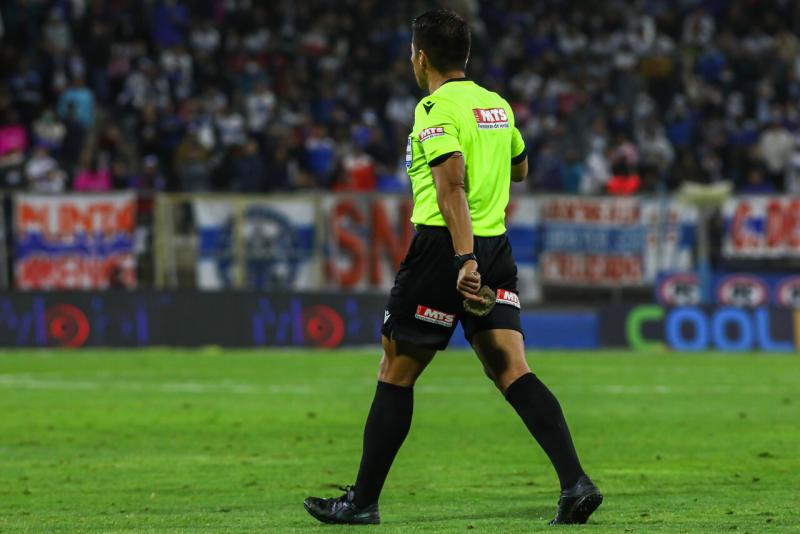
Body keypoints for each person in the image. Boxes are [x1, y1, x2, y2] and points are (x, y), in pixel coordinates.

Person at [304, 9, 601, 527]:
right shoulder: (496, 105)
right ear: (465, 55)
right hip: (496, 248)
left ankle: (363, 502)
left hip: (446, 252)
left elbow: (450, 186)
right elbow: (522, 167)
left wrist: (462, 259)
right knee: (511, 368)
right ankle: (575, 482)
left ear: (420, 58)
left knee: (396, 371)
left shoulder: (434, 109)